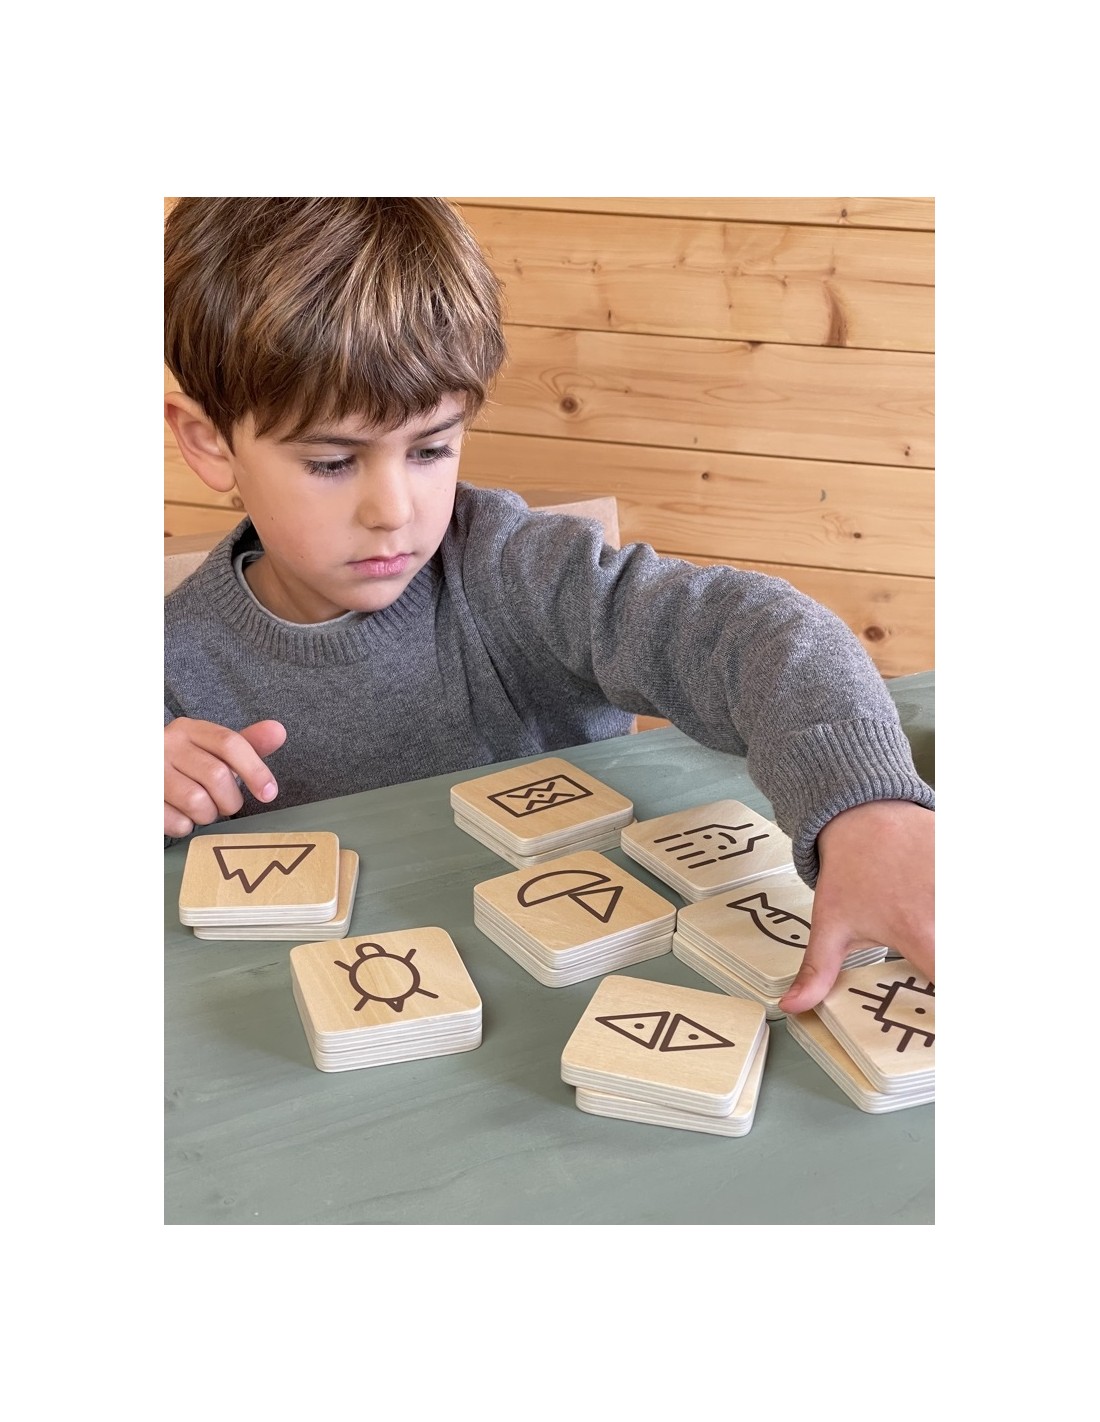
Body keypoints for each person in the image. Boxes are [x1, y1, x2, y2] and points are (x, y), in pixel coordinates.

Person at [164, 196, 934, 1014]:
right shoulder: (167, 668)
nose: (394, 510)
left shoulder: (516, 569)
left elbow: (756, 633)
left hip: (615, 991)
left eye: (432, 448)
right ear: (209, 442)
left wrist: (869, 807)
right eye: (331, 462)